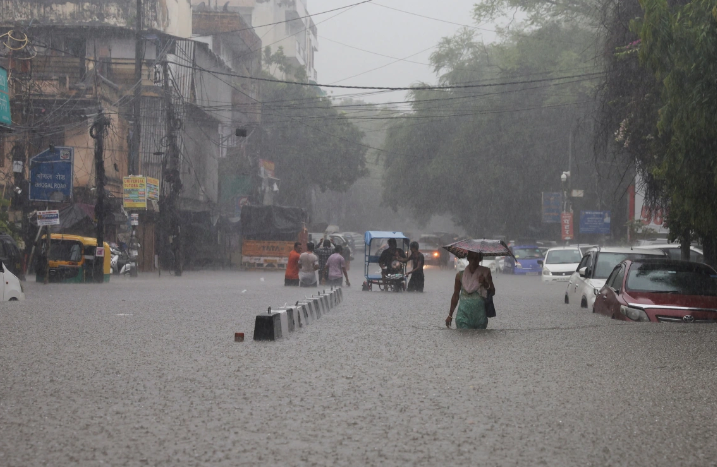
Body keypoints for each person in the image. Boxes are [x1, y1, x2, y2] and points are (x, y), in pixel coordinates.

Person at [446, 251, 495, 329]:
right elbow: (455, 295)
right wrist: (450, 315)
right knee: (463, 338)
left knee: (480, 339)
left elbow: (492, 291)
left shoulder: (485, 273)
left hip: (480, 317)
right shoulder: (460, 275)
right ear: (468, 258)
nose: (473, 261)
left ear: (480, 259)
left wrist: (485, 283)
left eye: (476, 258)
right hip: (463, 316)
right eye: (471, 258)